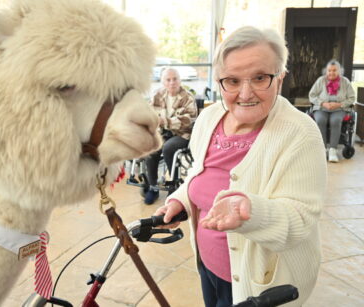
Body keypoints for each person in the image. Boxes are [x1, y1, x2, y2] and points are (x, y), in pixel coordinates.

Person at [155, 26, 327, 307]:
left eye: (260, 78)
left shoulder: (300, 133)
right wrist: (180, 201)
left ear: (280, 78)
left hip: (258, 281)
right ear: (219, 82)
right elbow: (198, 175)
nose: (245, 93)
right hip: (208, 263)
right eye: (232, 81)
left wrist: (251, 213)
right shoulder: (209, 118)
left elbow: (301, 220)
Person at [143, 67, 198, 205]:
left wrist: (164, 121)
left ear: (180, 80)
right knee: (151, 147)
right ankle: (153, 187)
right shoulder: (158, 95)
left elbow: (188, 121)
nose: (172, 82)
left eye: (175, 79)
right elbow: (150, 114)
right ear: (163, 82)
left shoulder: (188, 97)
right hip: (163, 133)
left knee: (168, 147)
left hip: (183, 134)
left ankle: (172, 185)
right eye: (168, 79)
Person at [309, 60, 356, 162]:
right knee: (320, 120)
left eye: (334, 70)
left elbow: (352, 98)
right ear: (326, 71)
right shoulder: (321, 80)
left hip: (339, 108)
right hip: (322, 108)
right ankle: (323, 149)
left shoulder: (345, 82)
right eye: (329, 70)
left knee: (335, 121)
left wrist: (339, 104)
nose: (331, 73)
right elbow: (312, 95)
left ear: (339, 71)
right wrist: (323, 103)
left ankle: (333, 150)